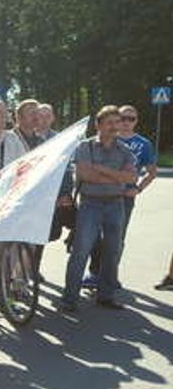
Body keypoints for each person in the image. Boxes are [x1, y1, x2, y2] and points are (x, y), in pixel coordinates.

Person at [60, 106, 136, 312]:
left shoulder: (125, 151)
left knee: (112, 251)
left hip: (116, 204)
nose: (114, 126)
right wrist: (116, 175)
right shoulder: (85, 147)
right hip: (90, 204)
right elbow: (85, 175)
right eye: (109, 122)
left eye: (117, 122)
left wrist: (101, 169)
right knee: (81, 250)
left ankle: (106, 296)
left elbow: (130, 178)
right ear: (98, 125)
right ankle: (69, 299)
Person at [87, 104, 157, 283]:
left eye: (131, 119)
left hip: (124, 197)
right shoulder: (103, 138)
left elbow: (152, 172)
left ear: (136, 122)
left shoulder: (144, 144)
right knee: (94, 236)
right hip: (97, 195)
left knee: (117, 238)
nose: (126, 122)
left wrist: (138, 188)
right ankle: (94, 273)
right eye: (122, 118)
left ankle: (109, 276)